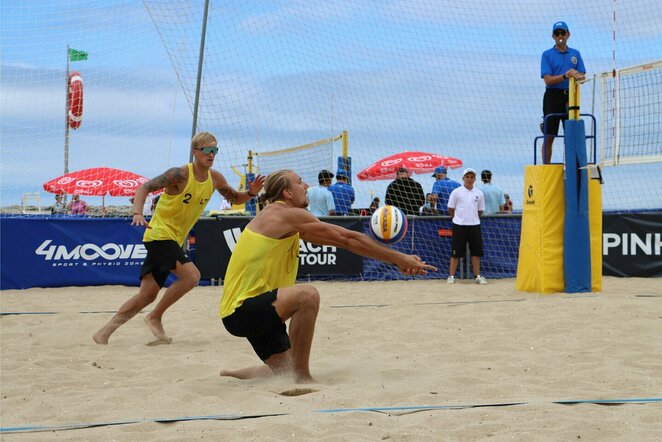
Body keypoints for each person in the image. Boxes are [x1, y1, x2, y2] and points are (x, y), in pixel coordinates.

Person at [219, 170, 436, 383]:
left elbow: (344, 242)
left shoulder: (285, 220)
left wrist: (395, 260)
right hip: (244, 309)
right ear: (287, 193)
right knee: (307, 295)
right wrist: (399, 258)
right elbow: (348, 238)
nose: (306, 186)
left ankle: (234, 374)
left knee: (284, 372)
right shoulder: (283, 214)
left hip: (253, 309)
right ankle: (303, 379)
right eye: (300, 181)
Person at [93, 132, 265, 345]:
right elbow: (144, 187)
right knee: (192, 276)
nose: (212, 155)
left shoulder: (215, 178)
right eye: (207, 150)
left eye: (215, 150)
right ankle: (155, 317)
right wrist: (137, 212)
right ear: (195, 152)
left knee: (146, 295)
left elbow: (235, 198)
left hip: (172, 240)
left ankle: (104, 333)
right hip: (159, 234)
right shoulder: (180, 174)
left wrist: (251, 192)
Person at [540, 21, 586, 164]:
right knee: (550, 135)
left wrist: (577, 76)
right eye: (557, 33)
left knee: (571, 134)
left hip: (571, 96)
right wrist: (565, 76)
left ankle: (572, 166)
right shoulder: (547, 54)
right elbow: (547, 79)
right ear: (553, 36)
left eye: (563, 33)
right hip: (553, 96)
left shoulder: (575, 53)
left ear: (568, 34)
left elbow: (582, 75)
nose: (560, 36)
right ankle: (546, 166)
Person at [446, 168, 487, 285]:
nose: (469, 179)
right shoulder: (456, 192)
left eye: (471, 177)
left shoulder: (479, 193)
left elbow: (480, 210)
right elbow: (450, 208)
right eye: (467, 177)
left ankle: (477, 276)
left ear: (474, 179)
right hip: (459, 225)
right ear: (463, 178)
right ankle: (451, 276)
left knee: (476, 252)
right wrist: (456, 219)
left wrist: (473, 218)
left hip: (475, 225)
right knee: (455, 253)